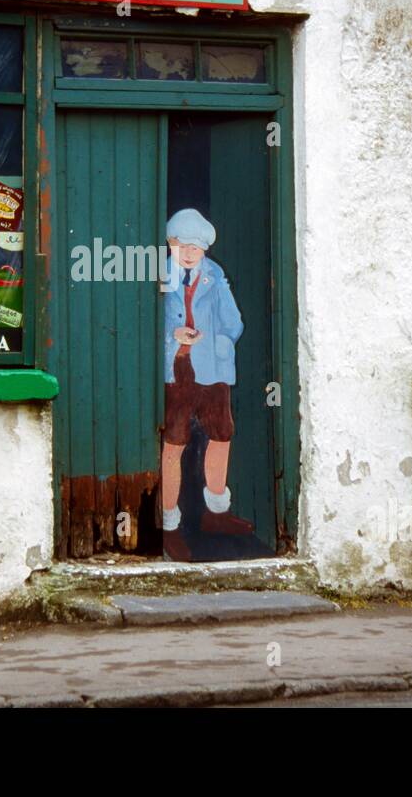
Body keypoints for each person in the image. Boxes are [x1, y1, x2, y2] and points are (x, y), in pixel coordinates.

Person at [159, 209, 250, 562]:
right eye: (182, 244)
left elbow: (233, 319)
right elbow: (147, 317)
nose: (189, 252)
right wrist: (172, 336)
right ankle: (168, 526)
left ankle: (216, 512)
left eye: (196, 246)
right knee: (175, 442)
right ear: (170, 244)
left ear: (206, 250)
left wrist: (220, 342)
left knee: (221, 434)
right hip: (178, 368)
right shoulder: (160, 275)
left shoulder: (214, 275)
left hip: (213, 367)